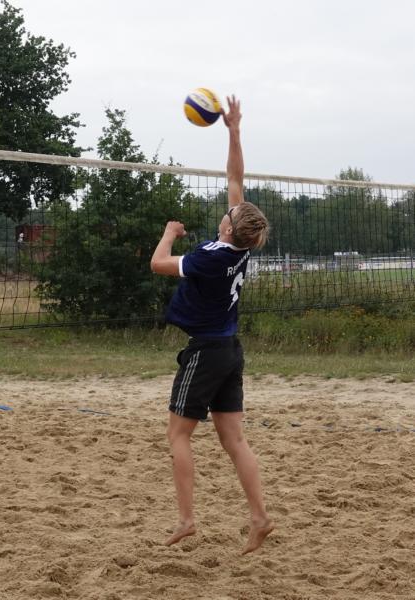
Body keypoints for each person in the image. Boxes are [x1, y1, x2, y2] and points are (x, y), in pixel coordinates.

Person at [150, 96, 274, 555]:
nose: (229, 207)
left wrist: (170, 232)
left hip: (205, 352)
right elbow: (235, 179)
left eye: (230, 211)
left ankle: (186, 520)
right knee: (233, 439)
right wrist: (234, 130)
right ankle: (259, 517)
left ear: (228, 228)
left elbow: (158, 264)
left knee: (178, 435)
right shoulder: (241, 247)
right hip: (229, 351)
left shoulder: (209, 257)